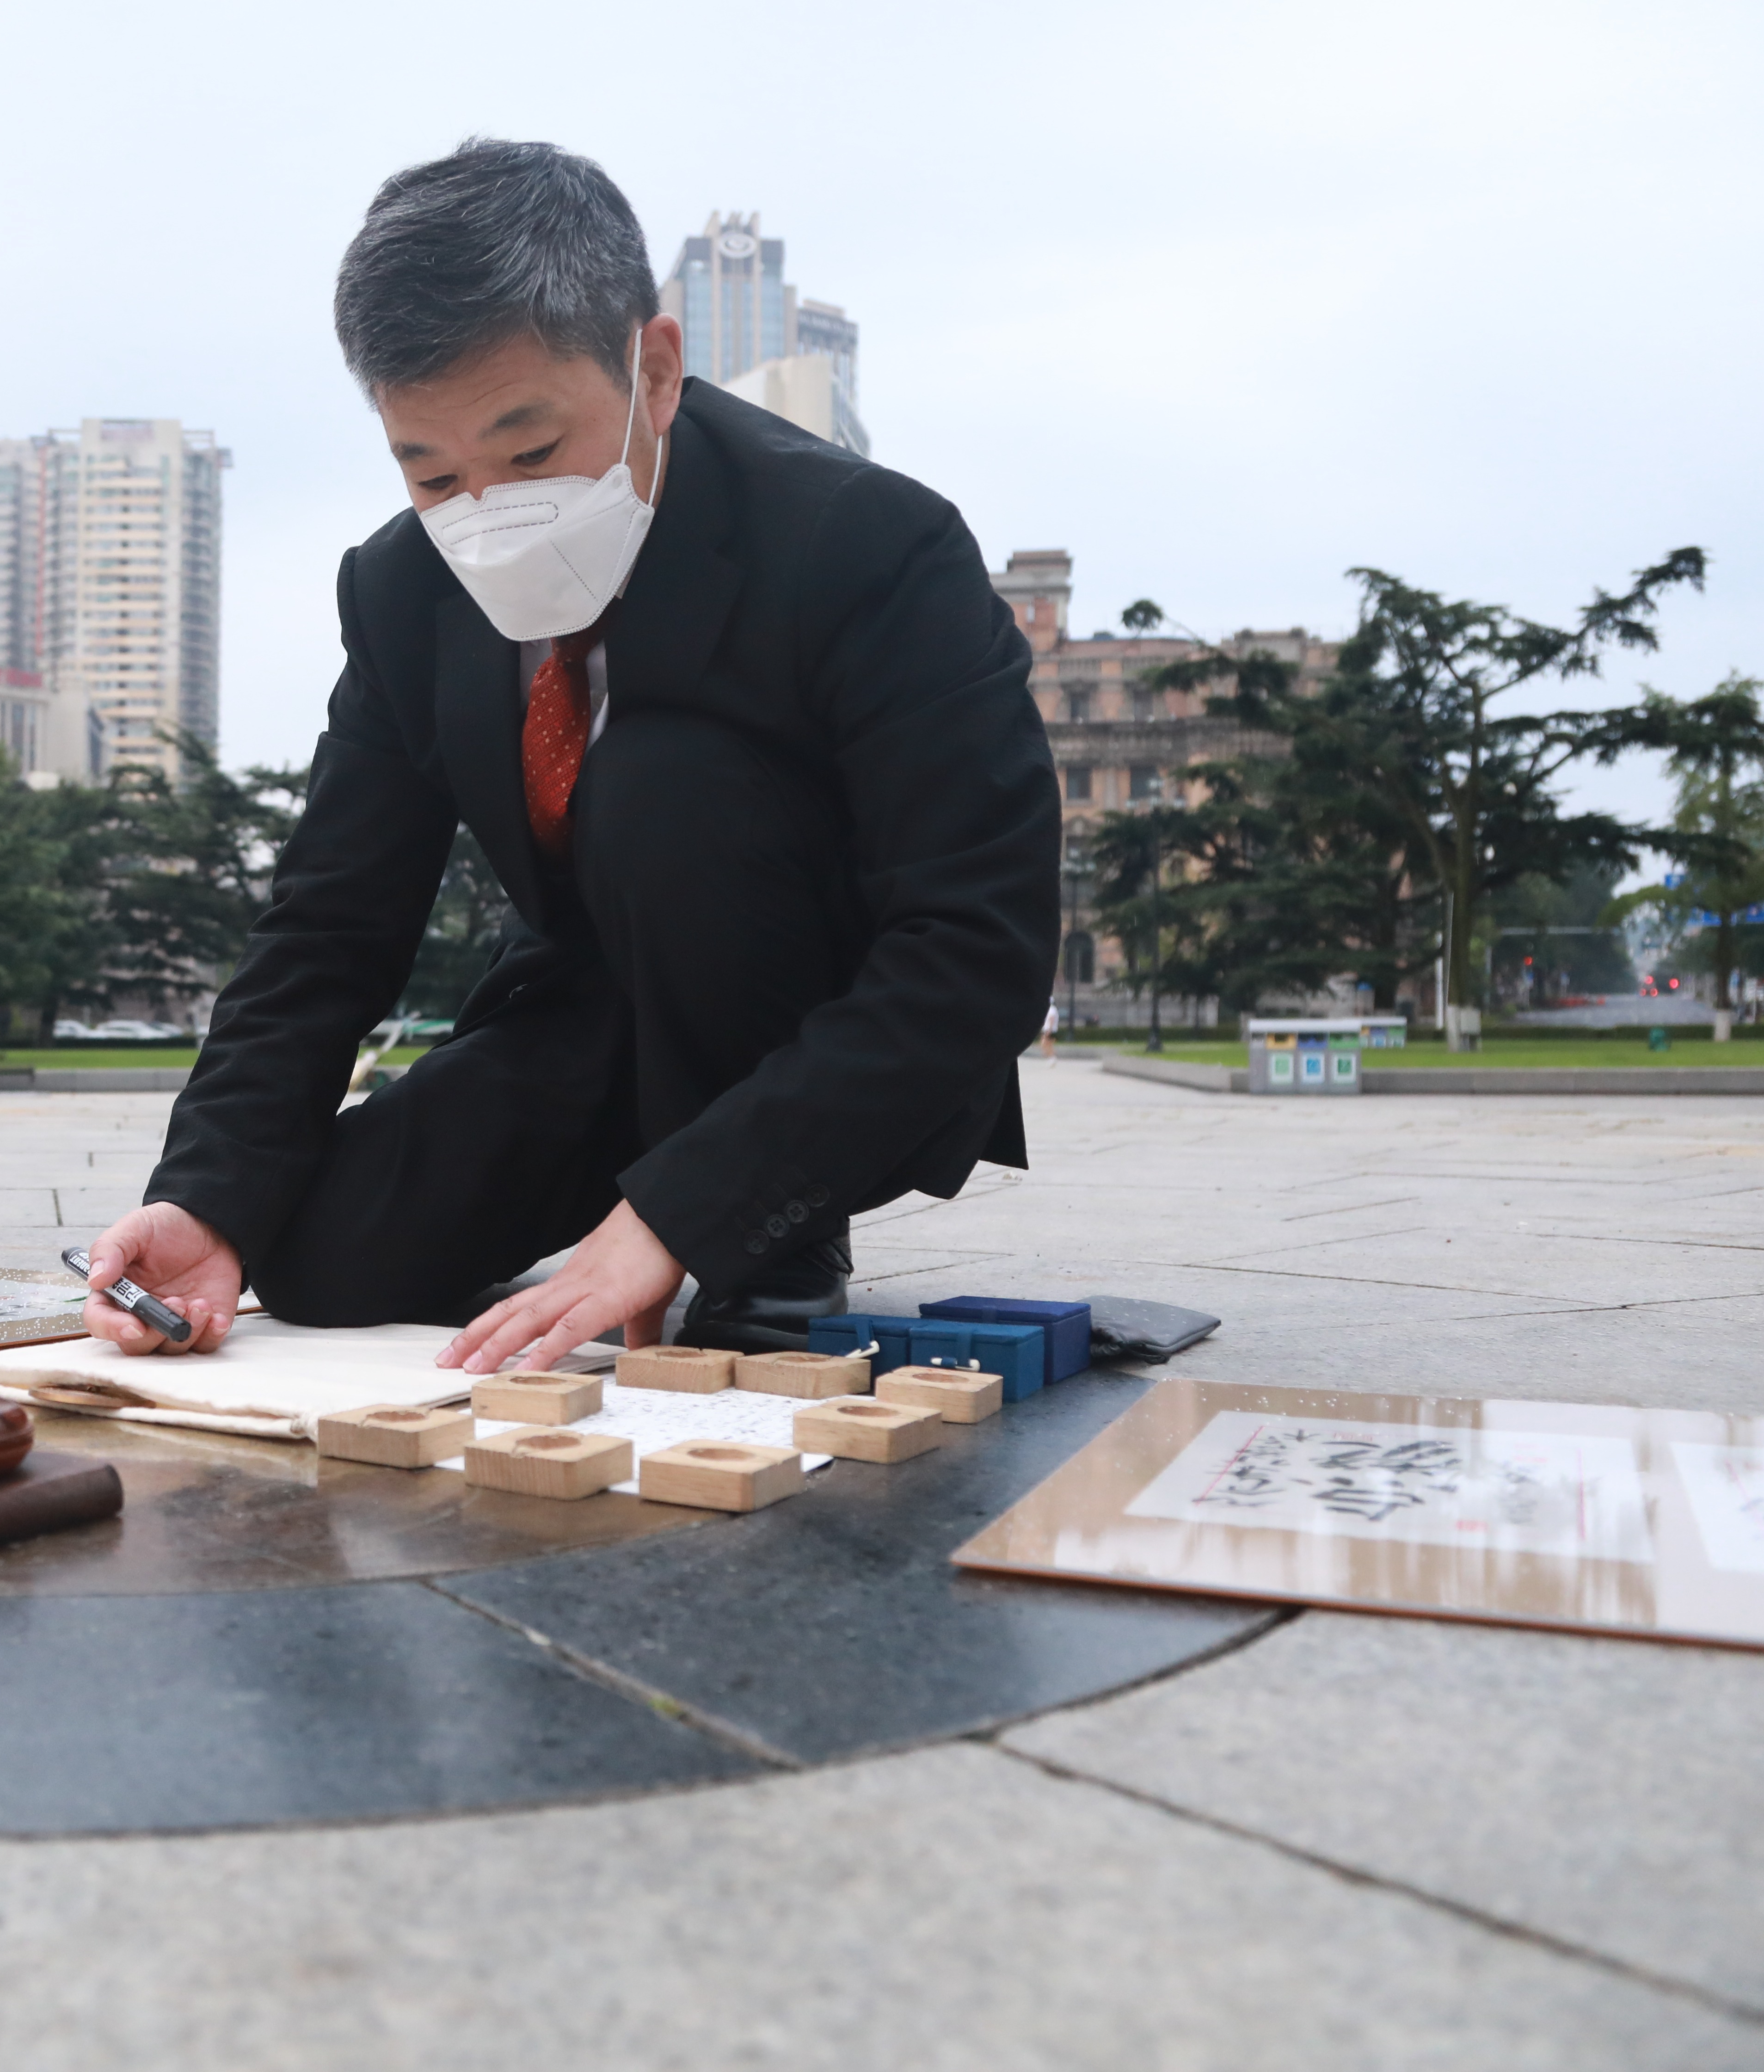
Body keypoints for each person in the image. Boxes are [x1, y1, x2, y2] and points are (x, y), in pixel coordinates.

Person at [80, 139, 1057, 1375]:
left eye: (531, 453)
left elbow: (982, 949)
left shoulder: (868, 545)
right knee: (322, 1258)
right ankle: (638, 1196)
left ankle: (775, 1235)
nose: (487, 515)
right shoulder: (400, 589)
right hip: (594, 1016)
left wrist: (693, 1212)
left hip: (820, 1020)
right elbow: (329, 922)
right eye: (434, 472)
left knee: (666, 781)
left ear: (654, 368)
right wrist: (207, 1200)